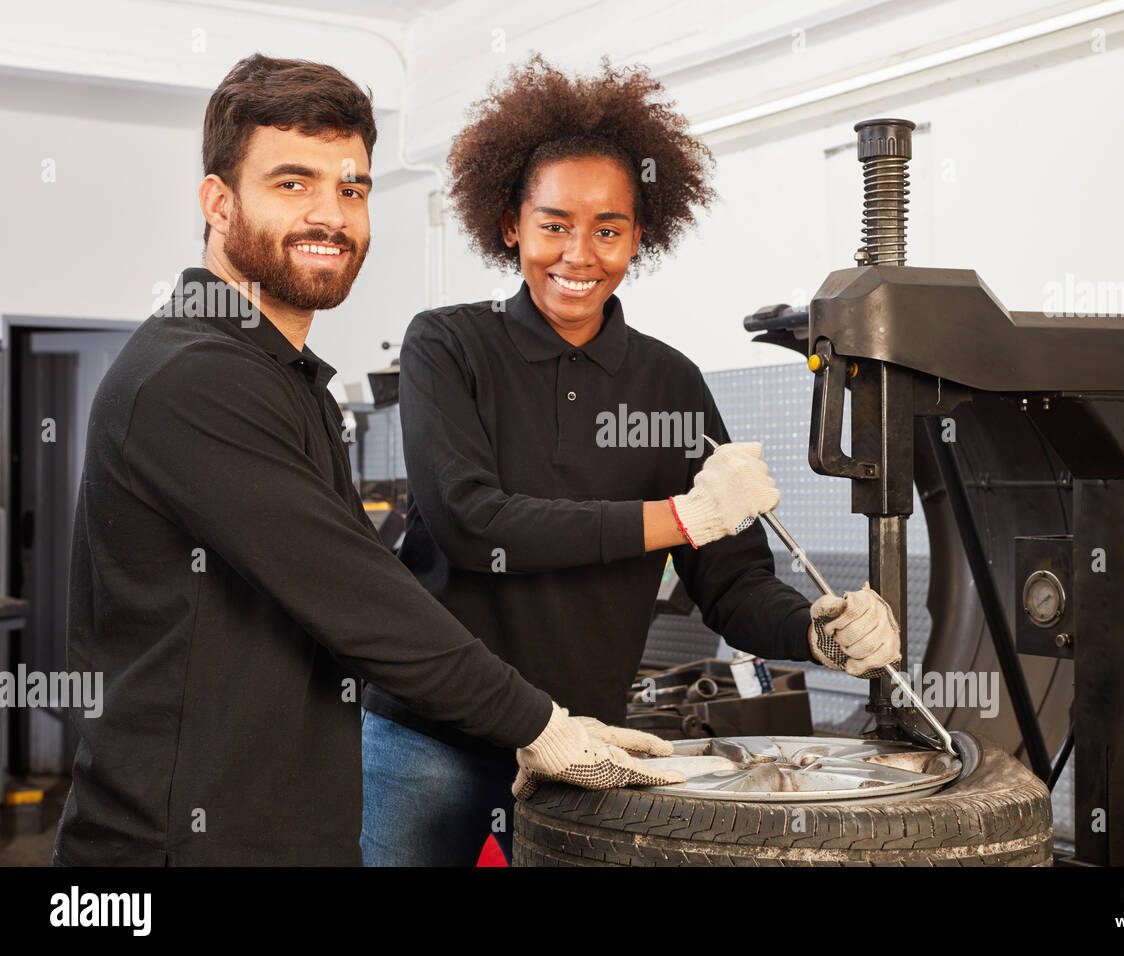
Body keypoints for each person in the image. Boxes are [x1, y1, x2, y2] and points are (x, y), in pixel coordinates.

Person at [52, 53, 684, 867]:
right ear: (217, 201)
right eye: (292, 184)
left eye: (351, 189)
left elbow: (354, 599)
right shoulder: (194, 376)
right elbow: (357, 597)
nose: (330, 216)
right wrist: (537, 723)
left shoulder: (289, 381)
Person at [359, 56, 901, 866]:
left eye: (608, 229)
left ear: (639, 238)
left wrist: (814, 631)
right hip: (426, 739)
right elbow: (472, 523)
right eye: (553, 224)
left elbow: (732, 583)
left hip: (582, 745)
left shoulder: (669, 382)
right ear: (511, 224)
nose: (579, 254)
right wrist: (682, 516)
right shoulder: (449, 343)